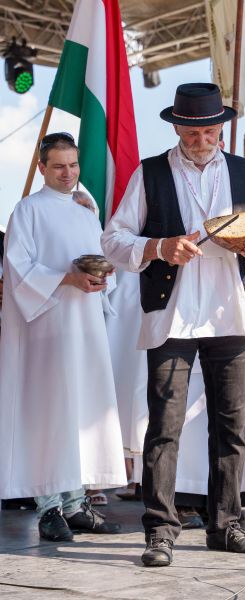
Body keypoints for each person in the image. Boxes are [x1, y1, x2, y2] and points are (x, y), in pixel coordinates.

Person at [102, 83, 245, 567]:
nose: (202, 140)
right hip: (172, 313)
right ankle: (160, 531)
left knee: (231, 426)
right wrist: (159, 247)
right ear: (177, 127)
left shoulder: (243, 172)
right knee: (164, 426)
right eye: (192, 131)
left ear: (220, 126)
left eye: (209, 131)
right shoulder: (150, 172)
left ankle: (226, 526)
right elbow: (113, 239)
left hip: (229, 311)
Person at [0, 132, 126, 541]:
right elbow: (18, 268)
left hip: (85, 325)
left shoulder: (85, 212)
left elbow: (102, 258)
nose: (68, 173)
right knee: (49, 413)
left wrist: (102, 277)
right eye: (58, 166)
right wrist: (67, 279)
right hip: (46, 328)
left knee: (81, 411)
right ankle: (49, 507)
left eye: (73, 165)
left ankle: (75, 505)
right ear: (41, 167)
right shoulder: (27, 210)